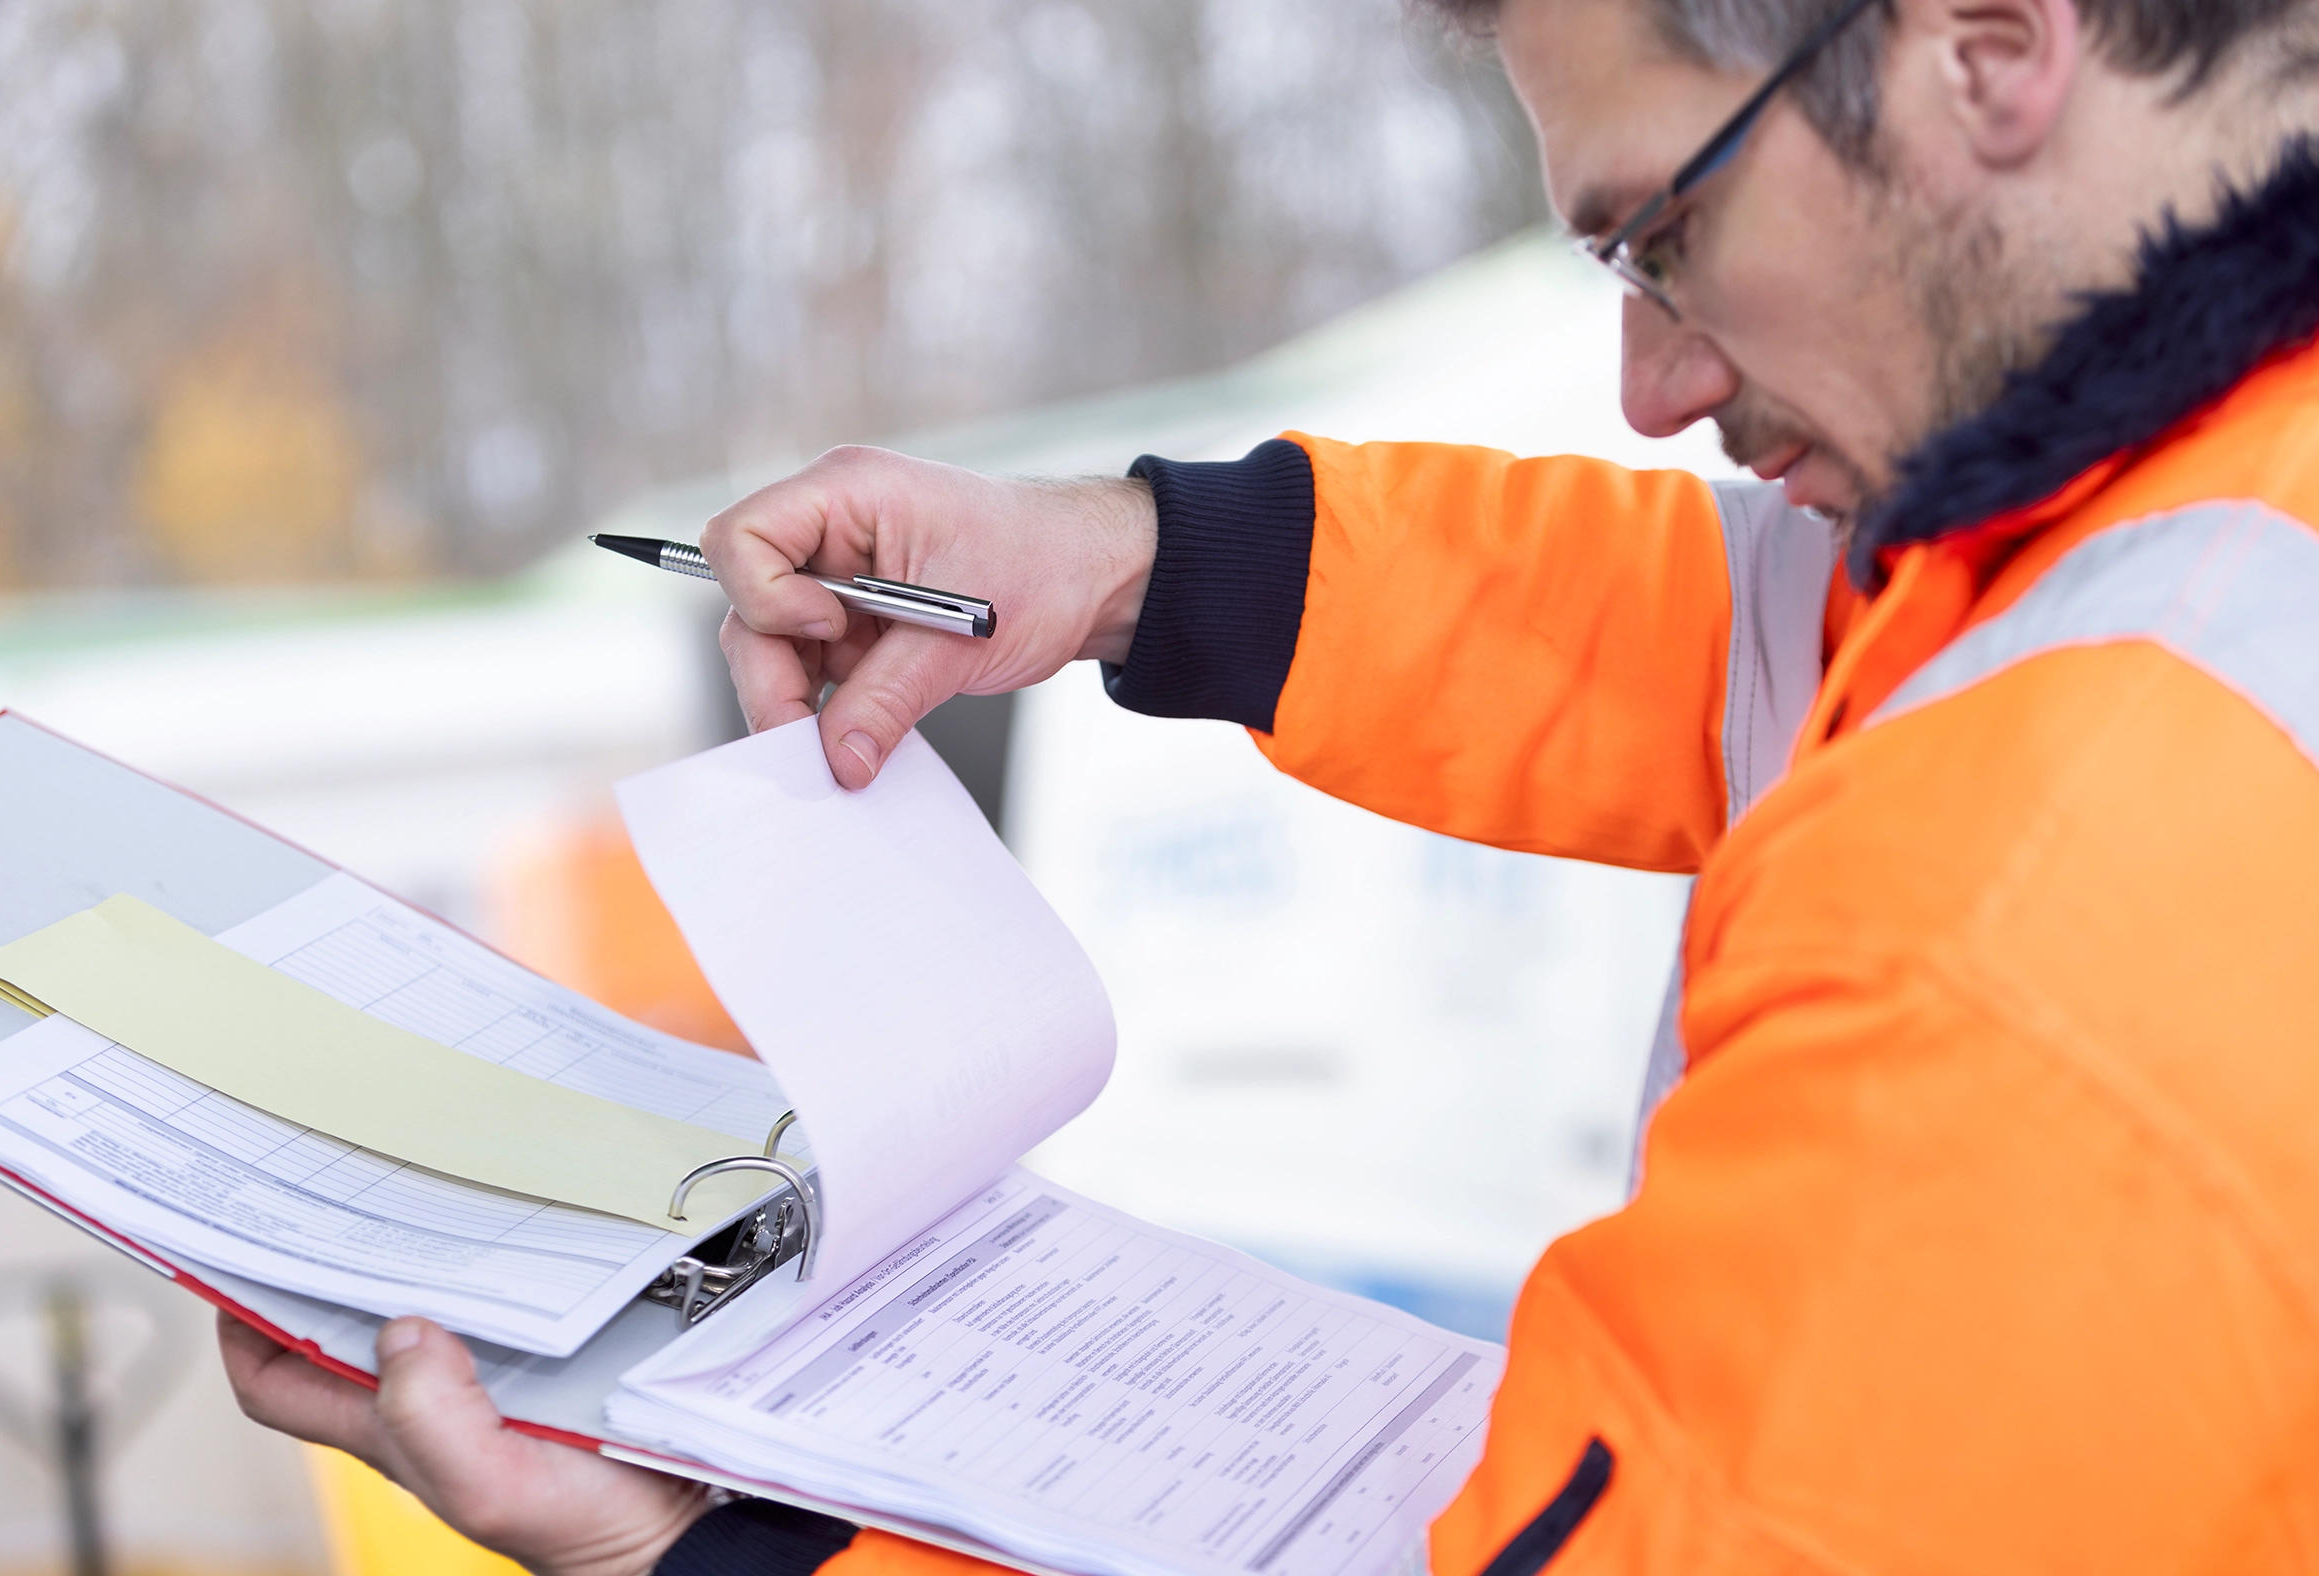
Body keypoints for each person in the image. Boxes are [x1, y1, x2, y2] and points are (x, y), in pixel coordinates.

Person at [223, 0, 2319, 1569]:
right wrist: (1141, 561)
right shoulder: (2181, 509)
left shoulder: (2006, 944)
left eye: (1661, 232)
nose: (1650, 382)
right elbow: (1764, 636)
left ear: (1986, 42)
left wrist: (727, 1538)